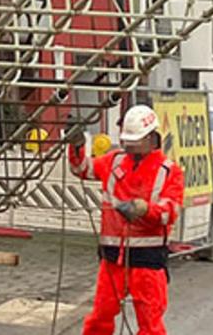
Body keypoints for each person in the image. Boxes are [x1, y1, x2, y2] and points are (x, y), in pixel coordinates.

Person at [67, 104, 185, 335]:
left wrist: (144, 209)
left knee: (150, 324)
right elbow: (82, 168)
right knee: (100, 317)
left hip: (148, 260)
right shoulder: (114, 161)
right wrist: (77, 145)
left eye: (135, 141)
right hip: (113, 258)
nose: (129, 146)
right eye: (126, 141)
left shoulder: (168, 171)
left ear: (151, 137)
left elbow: (169, 211)